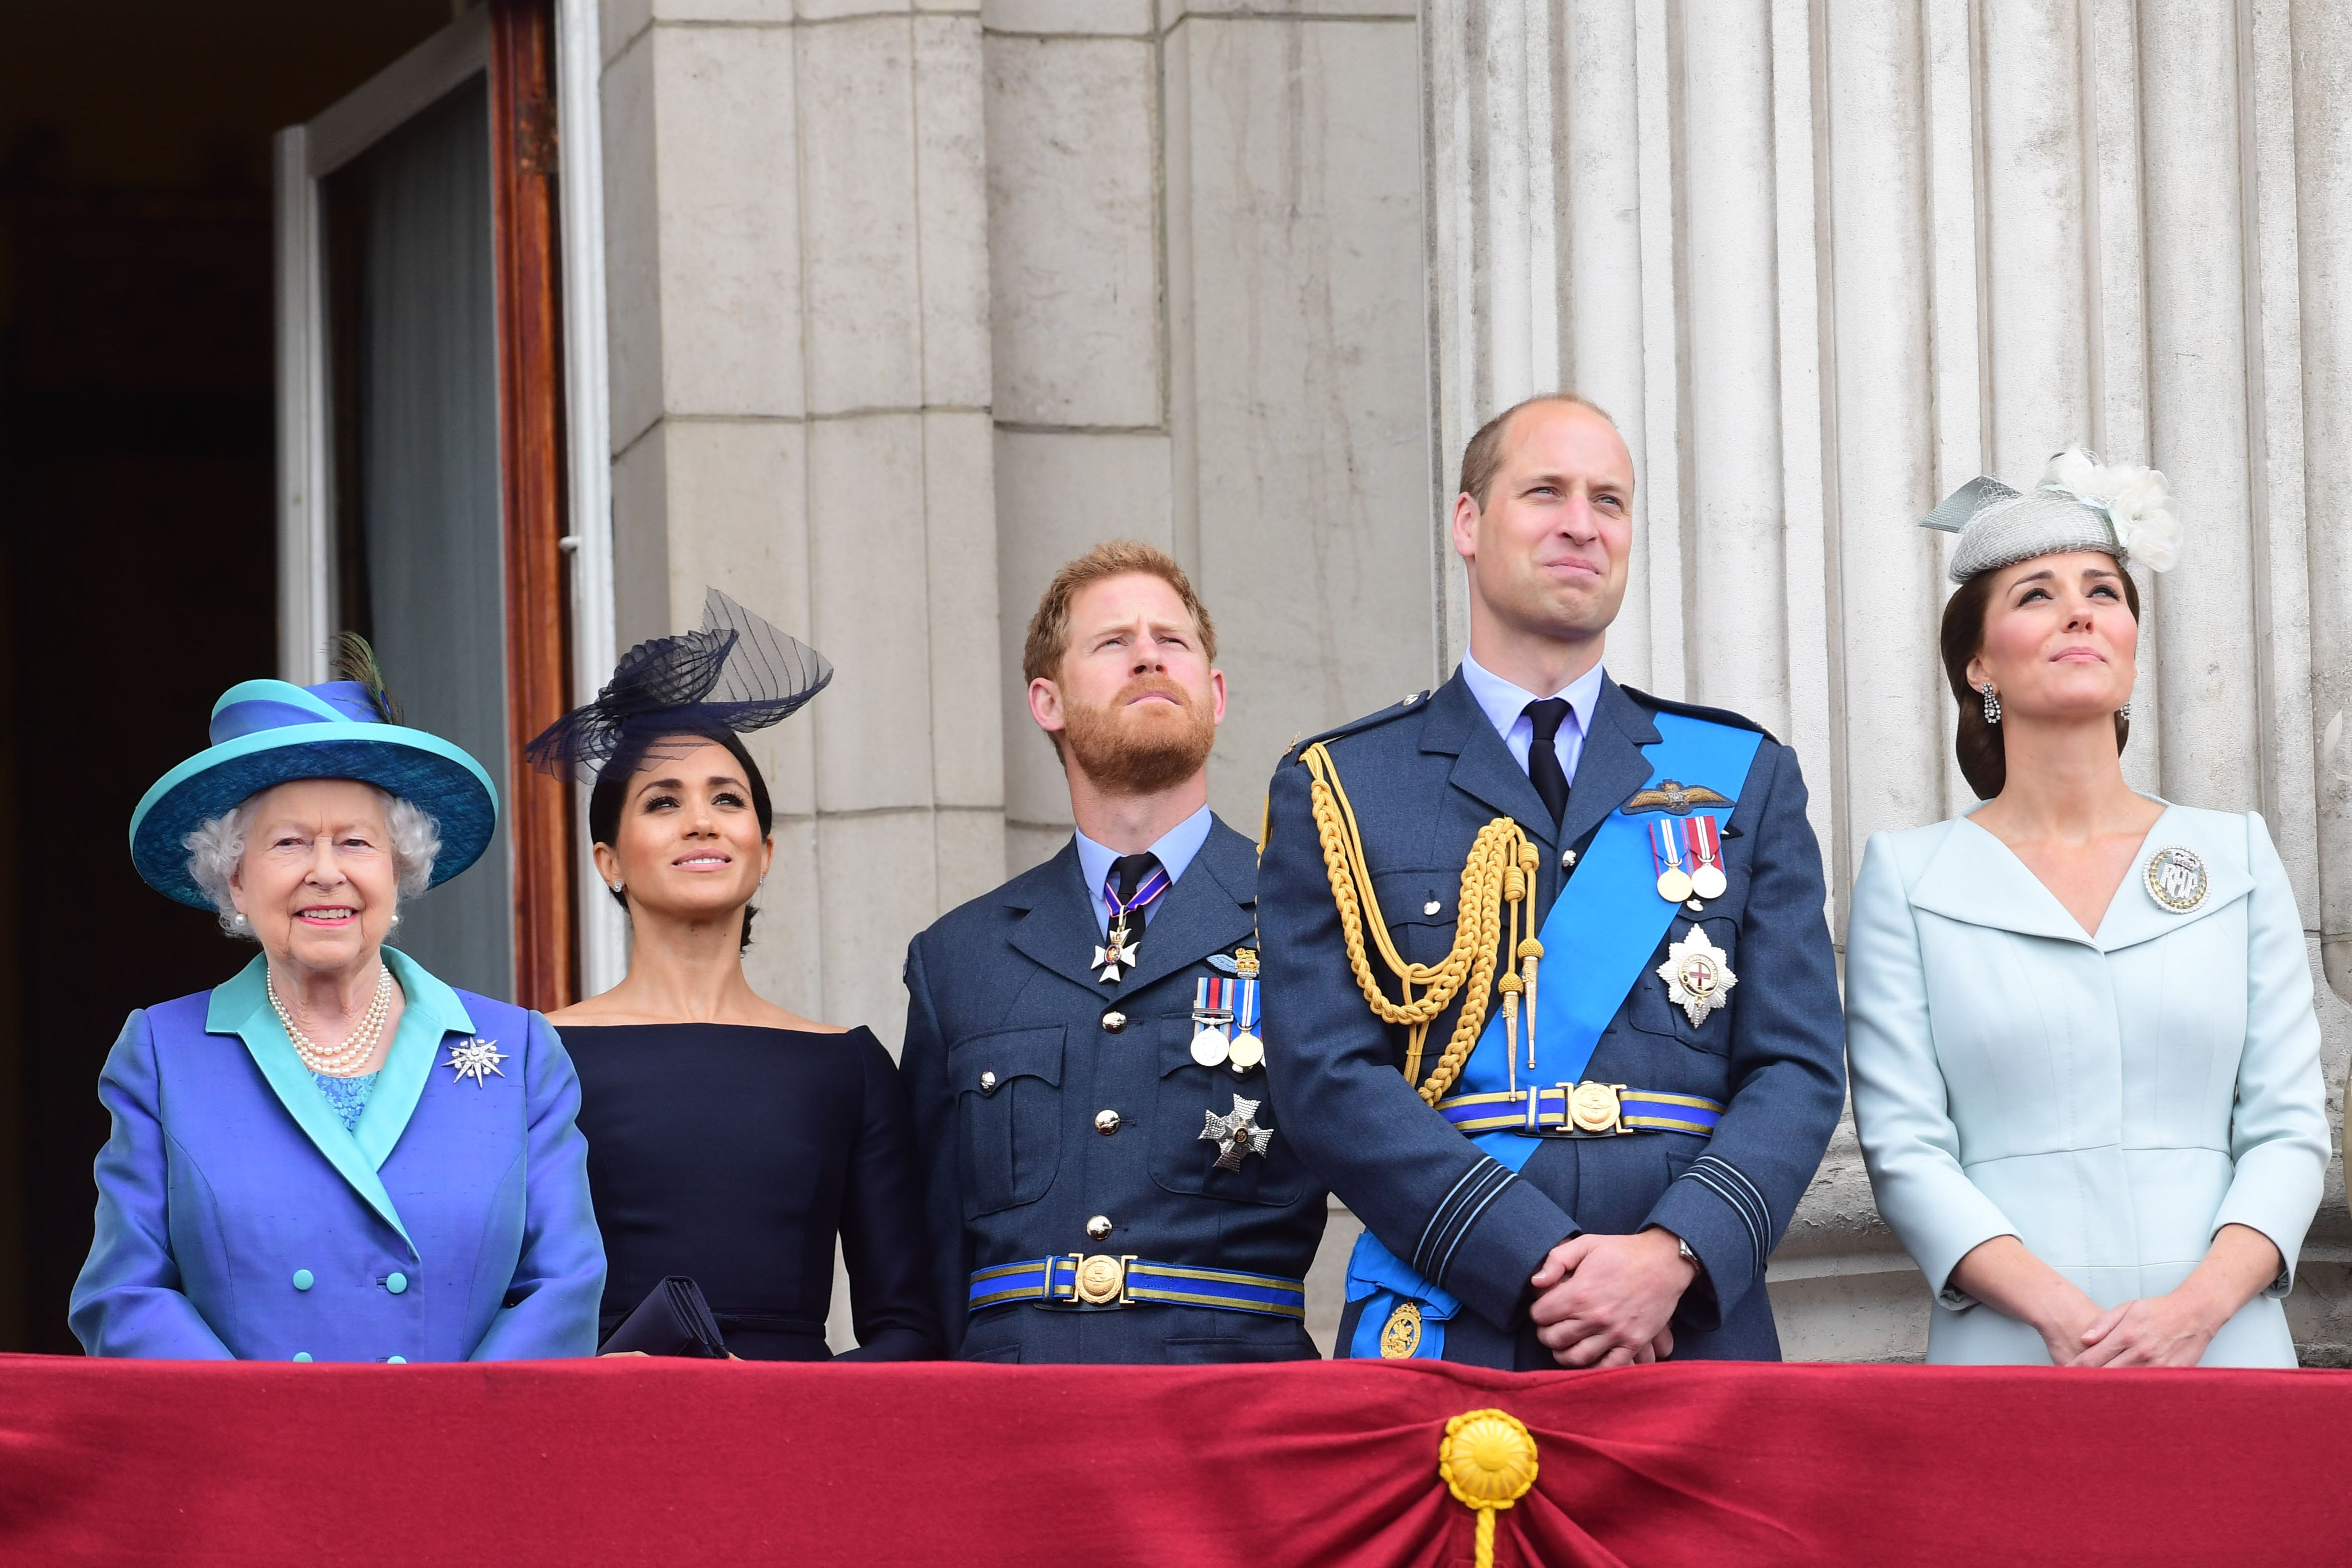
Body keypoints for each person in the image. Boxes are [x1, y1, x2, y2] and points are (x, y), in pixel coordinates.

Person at [1257, 394, 1845, 1369]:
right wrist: (1535, 1257)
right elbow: (1324, 1079)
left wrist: (1671, 1254)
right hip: (1459, 1313)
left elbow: (1794, 1067)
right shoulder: (1343, 786)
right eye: (1544, 492)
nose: (1581, 523)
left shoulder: (1742, 774)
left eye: (1608, 501)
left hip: (1683, 1326)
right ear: (1466, 523)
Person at [1846, 450, 2328, 1367]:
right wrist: (2064, 1317)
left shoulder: (2237, 858)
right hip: (2015, 1352)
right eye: (2035, 594)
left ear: (2132, 646)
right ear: (1979, 663)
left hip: (2225, 1348)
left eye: (2103, 590)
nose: (2079, 610)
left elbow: (2288, 1128)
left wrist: (2195, 1309)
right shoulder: (1909, 879)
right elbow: (1907, 1148)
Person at [73, 641, 605, 1361]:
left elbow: (564, 1287)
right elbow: (124, 1296)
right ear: (235, 880)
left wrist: (454, 1432)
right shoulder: (164, 1053)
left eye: (356, 843)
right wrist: (264, 1432)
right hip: (249, 1458)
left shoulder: (520, 1050)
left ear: (400, 869)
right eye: (289, 844)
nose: (326, 874)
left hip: (454, 1457)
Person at [901, 543, 1328, 1363]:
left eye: (1173, 642)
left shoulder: (1313, 921)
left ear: (1217, 693)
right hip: (1015, 1419)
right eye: (1113, 642)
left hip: (1234, 1410)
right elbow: (928, 1251)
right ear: (1047, 700)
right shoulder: (959, 958)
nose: (1147, 656)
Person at [534, 590, 940, 1361]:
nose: (702, 821)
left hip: (796, 1449)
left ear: (764, 850)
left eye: (728, 799)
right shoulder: (539, 1055)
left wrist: (789, 1408)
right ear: (609, 861)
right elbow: (501, 1298)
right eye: (663, 802)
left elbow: (909, 1328)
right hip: (597, 1439)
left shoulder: (848, 1064)